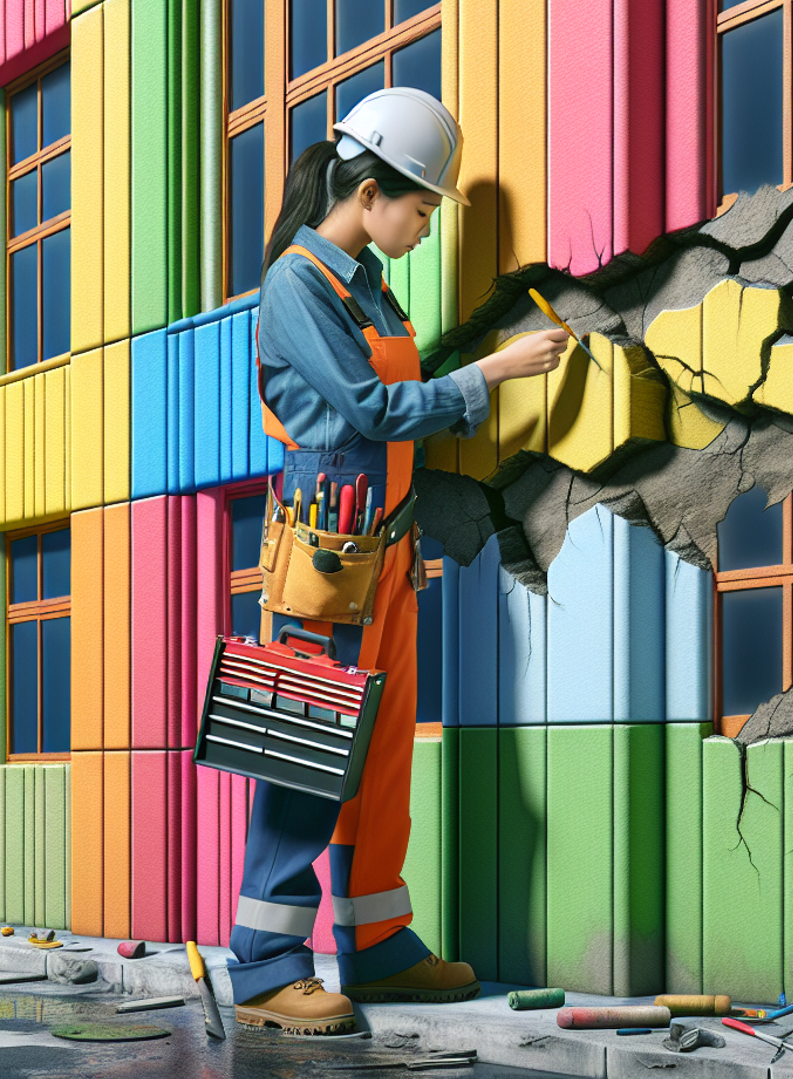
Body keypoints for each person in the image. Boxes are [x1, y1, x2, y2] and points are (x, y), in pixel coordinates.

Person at [227, 87, 568, 1034]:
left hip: (385, 554)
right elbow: (366, 415)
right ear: (372, 190)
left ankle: (374, 946)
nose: (424, 228)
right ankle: (263, 970)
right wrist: (492, 374)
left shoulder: (367, 281)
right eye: (421, 209)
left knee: (379, 761)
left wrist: (406, 537)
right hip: (324, 561)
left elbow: (389, 433)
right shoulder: (297, 286)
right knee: (305, 755)